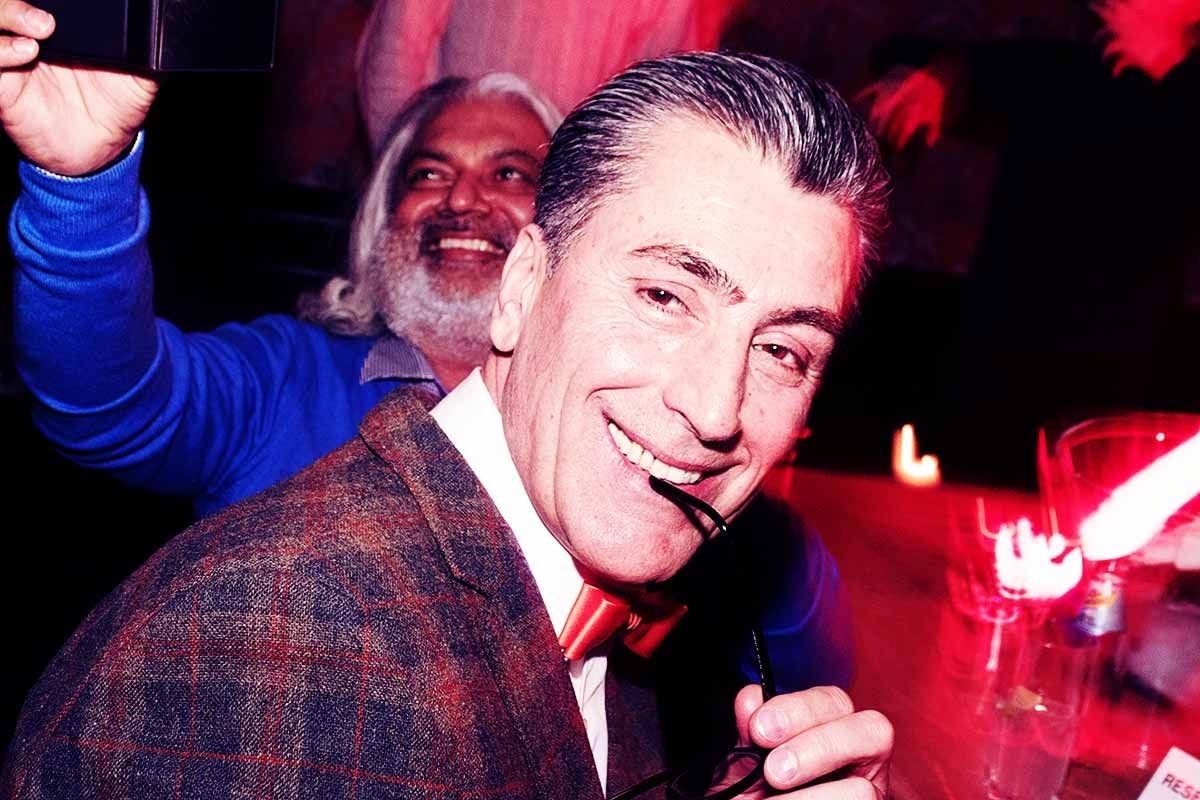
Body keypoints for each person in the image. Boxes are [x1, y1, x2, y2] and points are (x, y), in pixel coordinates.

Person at [0, 25, 892, 799]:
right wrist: (80, 183)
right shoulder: (278, 640)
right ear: (525, 283)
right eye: (663, 296)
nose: (714, 408)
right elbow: (107, 397)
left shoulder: (594, 551)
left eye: (784, 351)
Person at [354, 0, 745, 153]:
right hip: (460, 170)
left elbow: (661, 100)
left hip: (567, 190)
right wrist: (404, 168)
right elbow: (393, 54)